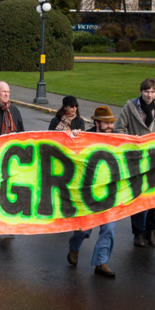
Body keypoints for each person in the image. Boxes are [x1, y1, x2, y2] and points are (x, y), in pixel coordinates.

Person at [115, 78, 155, 247]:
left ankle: (151, 229)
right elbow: (119, 129)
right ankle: (138, 232)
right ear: (141, 92)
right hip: (136, 159)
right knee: (138, 197)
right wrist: (133, 143)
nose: (149, 95)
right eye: (146, 92)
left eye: (152, 92)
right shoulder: (130, 108)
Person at [67, 106, 119, 279]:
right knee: (84, 229)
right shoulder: (84, 137)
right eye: (106, 123)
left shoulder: (119, 140)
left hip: (110, 193)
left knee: (109, 228)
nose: (110, 126)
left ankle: (100, 263)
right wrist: (72, 137)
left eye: (111, 123)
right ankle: (74, 247)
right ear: (97, 123)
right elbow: (67, 152)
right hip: (88, 193)